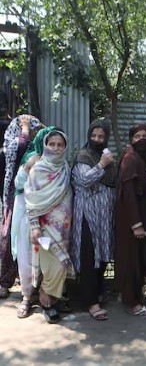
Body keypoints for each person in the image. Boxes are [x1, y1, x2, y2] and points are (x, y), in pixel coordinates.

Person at [24, 129, 75, 324]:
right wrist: (34, 226)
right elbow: (32, 199)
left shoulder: (65, 168)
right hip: (44, 228)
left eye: (59, 145)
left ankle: (53, 299)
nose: (55, 148)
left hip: (64, 227)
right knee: (52, 264)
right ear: (46, 145)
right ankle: (46, 300)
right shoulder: (38, 169)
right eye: (52, 144)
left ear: (65, 147)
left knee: (60, 264)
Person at [72, 119, 116, 321]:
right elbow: (83, 180)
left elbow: (113, 182)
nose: (97, 139)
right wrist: (101, 165)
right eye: (94, 136)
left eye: (101, 136)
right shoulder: (84, 156)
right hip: (88, 217)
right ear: (89, 136)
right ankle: (90, 301)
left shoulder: (107, 156)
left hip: (105, 218)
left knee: (105, 256)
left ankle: (100, 292)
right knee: (89, 257)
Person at [12, 126, 54, 318]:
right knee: (27, 257)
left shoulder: (60, 164)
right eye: (48, 142)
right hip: (28, 219)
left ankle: (48, 293)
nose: (52, 147)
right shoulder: (31, 157)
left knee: (49, 255)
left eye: (56, 143)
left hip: (52, 220)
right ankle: (27, 296)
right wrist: (29, 166)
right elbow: (19, 185)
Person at [114, 124, 146, 318]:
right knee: (131, 260)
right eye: (137, 136)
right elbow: (128, 194)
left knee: (138, 258)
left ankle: (131, 295)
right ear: (131, 140)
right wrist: (136, 224)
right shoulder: (130, 159)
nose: (141, 139)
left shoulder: (143, 159)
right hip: (132, 221)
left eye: (145, 136)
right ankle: (132, 303)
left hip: (142, 218)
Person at [1, 114, 43, 298]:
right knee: (10, 235)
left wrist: (40, 128)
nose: (33, 133)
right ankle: (4, 281)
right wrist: (25, 129)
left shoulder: (40, 145)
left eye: (34, 130)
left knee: (36, 240)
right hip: (16, 194)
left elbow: (52, 140)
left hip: (39, 196)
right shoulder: (9, 145)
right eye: (29, 129)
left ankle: (36, 283)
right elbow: (19, 148)